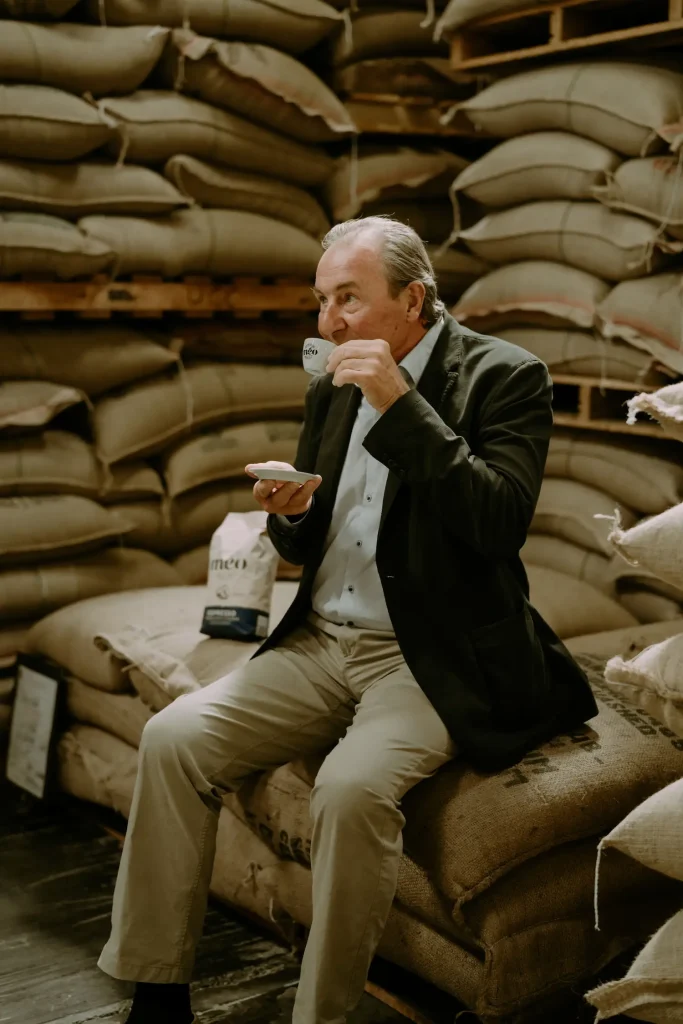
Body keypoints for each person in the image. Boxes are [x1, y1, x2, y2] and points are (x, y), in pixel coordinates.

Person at [99, 216, 598, 1024]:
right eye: (322, 300)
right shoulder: (329, 379)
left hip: (425, 654)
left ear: (413, 298)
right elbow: (320, 529)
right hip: (322, 638)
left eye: (348, 300)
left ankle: (322, 1015)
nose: (328, 322)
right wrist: (290, 514)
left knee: (351, 788)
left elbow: (497, 521)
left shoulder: (507, 377)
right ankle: (157, 992)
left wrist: (399, 403)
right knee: (172, 740)